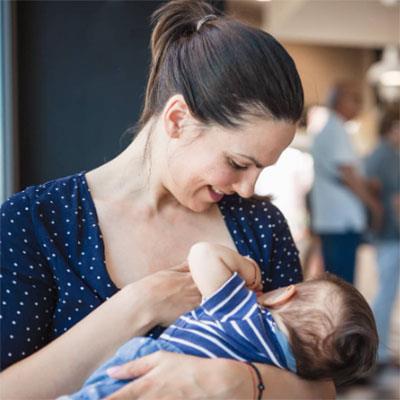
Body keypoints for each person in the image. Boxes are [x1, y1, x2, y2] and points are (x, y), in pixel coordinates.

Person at [0, 1, 335, 398]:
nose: (248, 189)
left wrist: (240, 383)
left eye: (261, 169)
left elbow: (321, 390)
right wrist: (143, 304)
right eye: (237, 163)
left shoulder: (261, 226)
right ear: (177, 119)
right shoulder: (34, 222)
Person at [60, 242, 377, 399]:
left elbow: (203, 254)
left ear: (282, 295)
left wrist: (247, 268)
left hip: (146, 372)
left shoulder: (244, 312)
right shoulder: (285, 370)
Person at [310, 82, 382, 284]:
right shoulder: (335, 130)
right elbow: (348, 175)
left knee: (337, 282)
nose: (359, 105)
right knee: (342, 285)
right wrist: (373, 205)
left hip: (334, 220)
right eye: (355, 99)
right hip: (340, 222)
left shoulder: (333, 129)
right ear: (340, 101)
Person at [365, 112, 400, 370]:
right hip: (390, 234)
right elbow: (394, 199)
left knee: (386, 293)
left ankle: (381, 353)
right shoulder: (387, 156)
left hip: (386, 233)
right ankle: (378, 354)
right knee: (385, 294)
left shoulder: (380, 155)